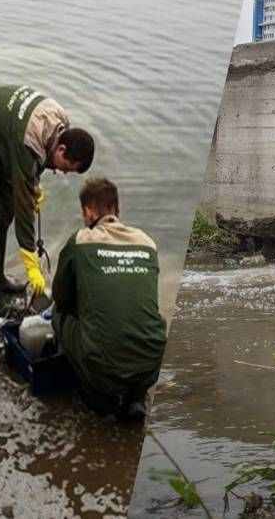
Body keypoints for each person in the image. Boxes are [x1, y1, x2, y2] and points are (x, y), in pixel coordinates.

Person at [0, 85, 94, 315]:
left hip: (1, 137)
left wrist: (33, 186)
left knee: (5, 213)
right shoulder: (31, 141)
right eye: (66, 167)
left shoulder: (60, 122)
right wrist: (30, 262)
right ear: (62, 148)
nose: (63, 173)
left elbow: (30, 167)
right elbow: (24, 207)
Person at [51, 178, 167, 420]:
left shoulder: (81, 240)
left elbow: (61, 298)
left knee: (58, 315)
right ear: (117, 210)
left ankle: (102, 402)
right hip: (151, 362)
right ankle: (136, 397)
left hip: (102, 367)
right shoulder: (147, 243)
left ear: (88, 212)